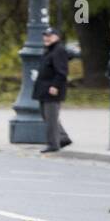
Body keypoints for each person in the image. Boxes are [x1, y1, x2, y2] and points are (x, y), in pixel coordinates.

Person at [34, 26, 72, 154]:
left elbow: (62, 72)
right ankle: (63, 137)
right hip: (44, 89)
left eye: (50, 36)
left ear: (57, 37)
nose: (47, 38)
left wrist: (55, 86)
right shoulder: (49, 50)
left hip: (52, 89)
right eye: (45, 35)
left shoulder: (58, 51)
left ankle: (53, 144)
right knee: (47, 116)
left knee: (50, 117)